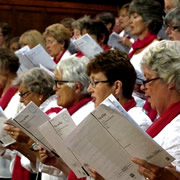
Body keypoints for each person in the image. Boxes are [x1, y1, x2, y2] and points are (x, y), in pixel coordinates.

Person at [66, 49, 152, 180]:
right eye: (90, 83)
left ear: (117, 87)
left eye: (95, 83)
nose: (89, 89)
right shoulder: (99, 118)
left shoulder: (138, 123)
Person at [3, 67, 64, 180]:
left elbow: (50, 160)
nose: (21, 100)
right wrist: (18, 146)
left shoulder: (52, 114)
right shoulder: (41, 112)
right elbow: (37, 162)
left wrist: (27, 142)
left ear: (39, 93)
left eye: (23, 94)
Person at [131, 40, 180, 179]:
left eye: (148, 79)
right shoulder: (168, 120)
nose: (142, 87)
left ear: (171, 81)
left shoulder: (177, 131)